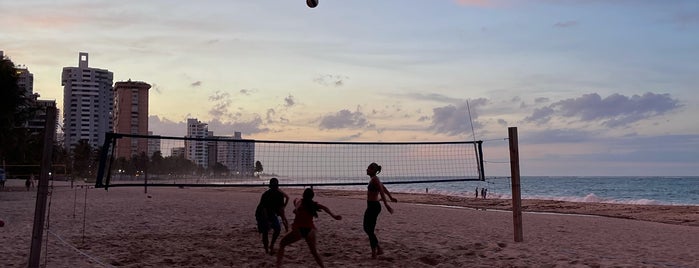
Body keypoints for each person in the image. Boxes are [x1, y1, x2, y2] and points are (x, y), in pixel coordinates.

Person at [276, 188, 342, 268]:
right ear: (312, 197)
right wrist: (334, 216)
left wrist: (296, 210)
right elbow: (325, 208)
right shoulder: (313, 204)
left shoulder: (299, 202)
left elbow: (297, 205)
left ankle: (278, 266)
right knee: (314, 252)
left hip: (299, 229)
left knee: (282, 244)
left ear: (303, 195)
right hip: (310, 230)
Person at [364, 162, 397, 259]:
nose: (366, 170)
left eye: (368, 168)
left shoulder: (375, 180)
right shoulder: (374, 179)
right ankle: (378, 249)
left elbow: (381, 191)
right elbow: (384, 187)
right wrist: (390, 197)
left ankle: (375, 252)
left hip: (374, 206)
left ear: (373, 170)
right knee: (368, 229)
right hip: (372, 206)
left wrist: (386, 204)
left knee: (368, 229)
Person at [255, 178, 289, 255]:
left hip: (271, 213)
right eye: (273, 186)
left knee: (277, 229)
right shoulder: (266, 194)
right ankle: (267, 249)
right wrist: (267, 221)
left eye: (275, 186)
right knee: (265, 231)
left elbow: (281, 208)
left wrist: (283, 211)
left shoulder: (280, 195)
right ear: (271, 186)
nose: (274, 187)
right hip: (261, 214)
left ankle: (271, 245)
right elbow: (263, 209)